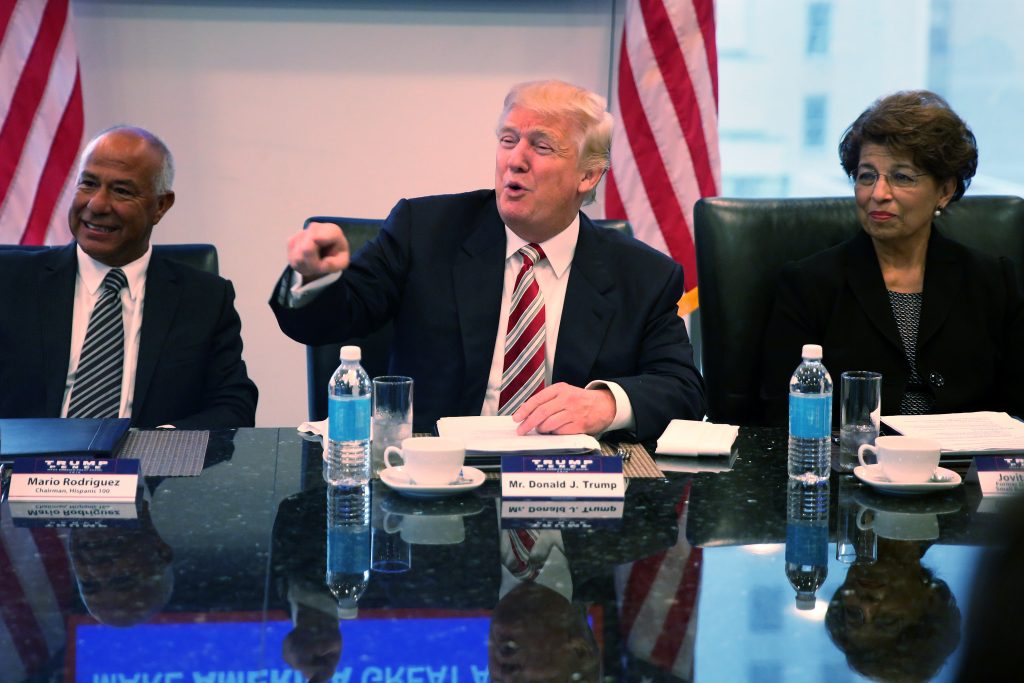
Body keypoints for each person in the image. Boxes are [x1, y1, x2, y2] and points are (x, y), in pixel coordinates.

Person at [271, 80, 704, 441]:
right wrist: (316, 279)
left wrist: (606, 404)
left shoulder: (643, 274)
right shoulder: (425, 231)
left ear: (588, 175)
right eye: (508, 140)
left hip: (568, 493)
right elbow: (329, 322)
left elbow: (683, 390)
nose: (515, 160)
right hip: (436, 486)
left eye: (542, 146)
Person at [760, 90, 1024, 424]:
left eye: (901, 177)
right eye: (867, 175)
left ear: (944, 190)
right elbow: (780, 417)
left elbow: (1017, 410)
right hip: (857, 466)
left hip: (968, 471)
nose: (878, 194)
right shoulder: (809, 285)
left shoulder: (991, 282)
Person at [0, 125, 258, 429]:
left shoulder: (204, 298)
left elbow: (234, 406)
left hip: (146, 470)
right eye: (88, 184)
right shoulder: (10, 280)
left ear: (160, 206)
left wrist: (162, 446)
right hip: (28, 470)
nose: (97, 204)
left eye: (121, 191)